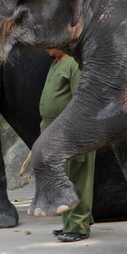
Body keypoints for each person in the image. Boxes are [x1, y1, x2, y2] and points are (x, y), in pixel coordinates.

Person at [38, 48, 95, 242]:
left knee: (77, 178)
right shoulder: (56, 63)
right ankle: (69, 223)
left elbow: (80, 101)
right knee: (62, 177)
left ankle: (79, 227)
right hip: (54, 131)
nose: (44, 46)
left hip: (71, 133)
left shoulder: (74, 64)